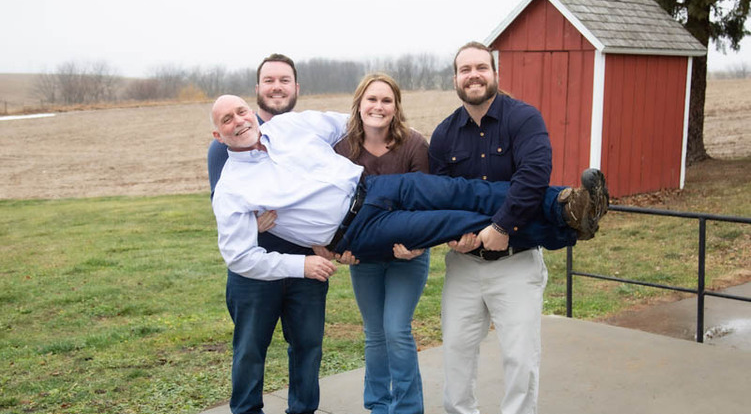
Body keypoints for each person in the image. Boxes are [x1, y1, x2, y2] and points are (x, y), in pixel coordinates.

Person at [427, 42, 606, 414]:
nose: (473, 75)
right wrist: (455, 236)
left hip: (516, 259)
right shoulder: (444, 134)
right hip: (465, 264)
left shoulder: (523, 118)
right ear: (455, 78)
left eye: (481, 67)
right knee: (456, 348)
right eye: (465, 69)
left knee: (520, 355)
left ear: (495, 73)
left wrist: (502, 226)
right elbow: (441, 194)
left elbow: (533, 175)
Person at [210, 94, 608, 277]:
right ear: (218, 134)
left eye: (241, 111)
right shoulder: (234, 189)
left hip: (376, 187)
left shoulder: (289, 127)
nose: (239, 121)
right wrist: (300, 264)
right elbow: (238, 256)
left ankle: (565, 203)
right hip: (356, 231)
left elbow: (347, 123)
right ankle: (567, 230)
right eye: (227, 120)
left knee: (464, 191)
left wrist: (390, 127)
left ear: (251, 112)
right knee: (458, 221)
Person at [208, 54, 335, 414]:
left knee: (308, 343)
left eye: (284, 80)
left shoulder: (300, 135)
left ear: (297, 87)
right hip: (254, 269)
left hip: (307, 263)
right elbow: (232, 215)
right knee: (249, 347)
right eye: (268, 80)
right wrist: (254, 222)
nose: (276, 87)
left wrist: (326, 235)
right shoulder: (225, 150)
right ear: (257, 89)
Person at [332, 74, 430, 414]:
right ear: (359, 104)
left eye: (386, 100)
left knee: (396, 329)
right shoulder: (343, 149)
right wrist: (339, 249)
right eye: (371, 99)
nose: (378, 106)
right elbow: (332, 206)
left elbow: (429, 202)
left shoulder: (414, 145)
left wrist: (418, 244)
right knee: (374, 334)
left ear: (396, 107)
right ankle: (379, 411)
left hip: (407, 256)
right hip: (365, 258)